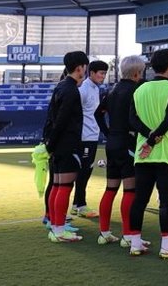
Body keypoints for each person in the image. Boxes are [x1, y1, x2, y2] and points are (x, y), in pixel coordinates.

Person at [127, 48, 168, 258]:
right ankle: (167, 247)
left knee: (139, 200)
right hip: (167, 154)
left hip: (142, 155)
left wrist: (147, 137)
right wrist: (154, 139)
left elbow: (132, 120)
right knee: (167, 202)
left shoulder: (139, 90)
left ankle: (135, 243)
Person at [96, 55, 149, 248]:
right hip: (127, 143)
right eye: (141, 72)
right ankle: (128, 235)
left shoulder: (111, 90)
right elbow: (135, 119)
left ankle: (104, 232)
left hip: (112, 143)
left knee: (110, 188)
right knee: (130, 190)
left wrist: (109, 133)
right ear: (136, 73)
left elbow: (97, 114)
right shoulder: (136, 90)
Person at [44, 51, 89, 243]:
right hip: (67, 144)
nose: (85, 71)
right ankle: (60, 230)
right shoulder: (71, 90)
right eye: (85, 67)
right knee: (64, 186)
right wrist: (52, 142)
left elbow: (51, 117)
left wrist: (49, 142)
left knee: (57, 185)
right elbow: (61, 120)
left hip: (58, 144)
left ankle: (56, 226)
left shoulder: (61, 86)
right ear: (80, 68)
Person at [72, 60, 108, 218]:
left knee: (86, 171)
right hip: (85, 137)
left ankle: (75, 204)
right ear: (91, 73)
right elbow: (74, 110)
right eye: (101, 73)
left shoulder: (95, 89)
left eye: (105, 73)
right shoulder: (84, 89)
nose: (103, 76)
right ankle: (81, 205)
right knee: (83, 172)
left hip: (92, 136)